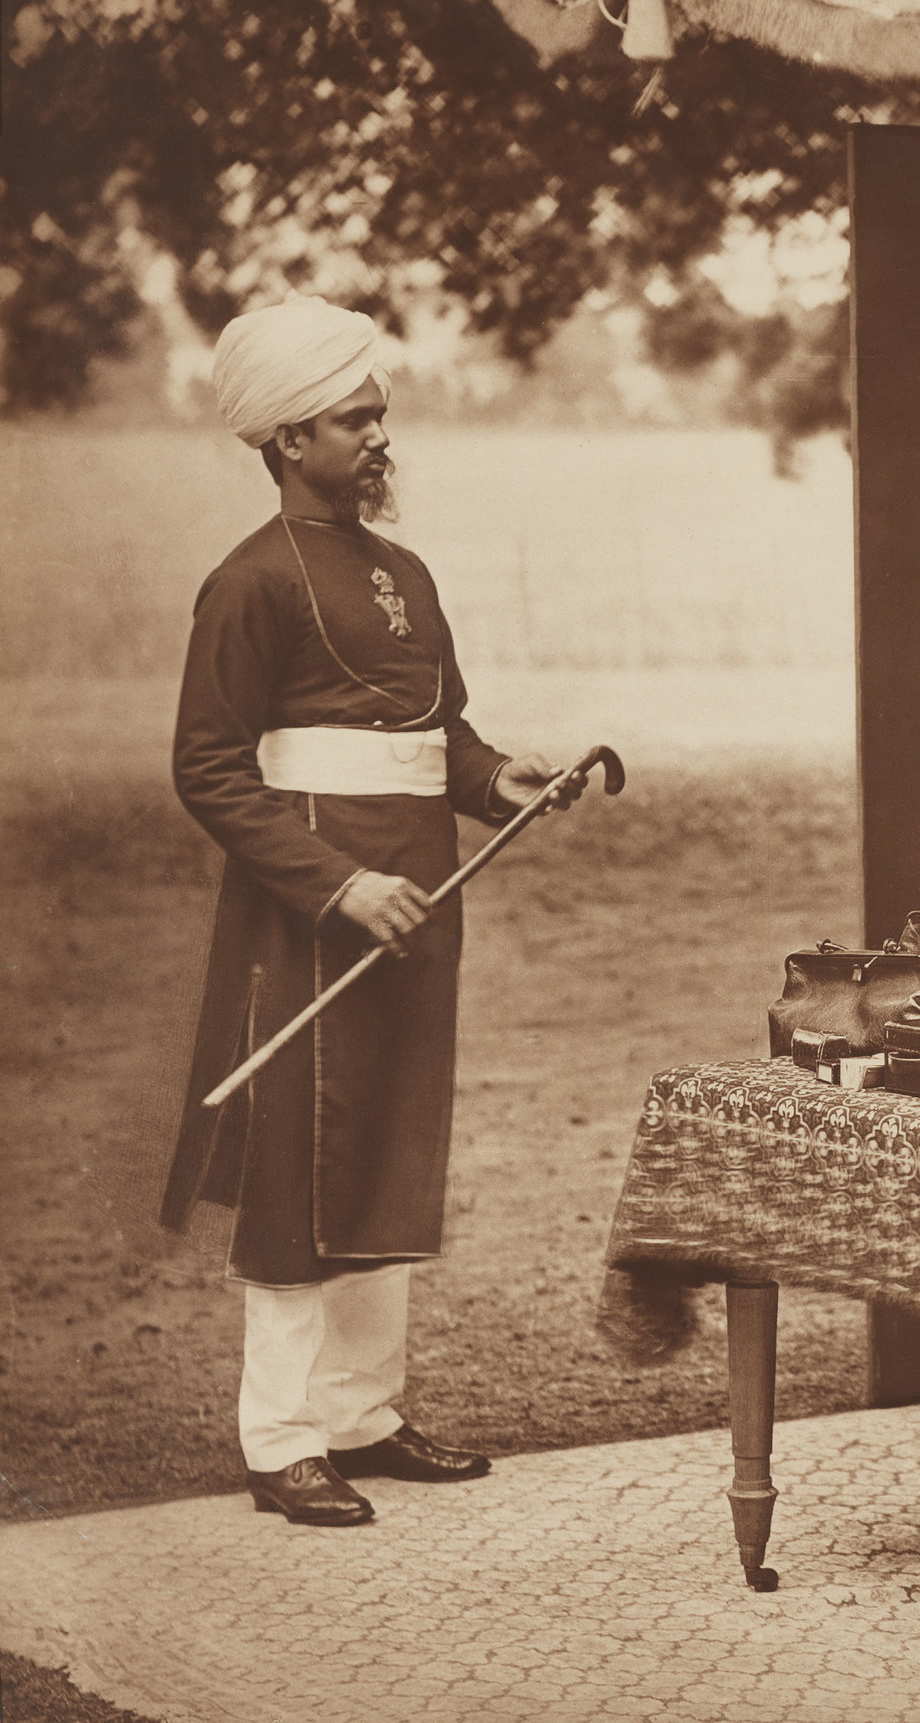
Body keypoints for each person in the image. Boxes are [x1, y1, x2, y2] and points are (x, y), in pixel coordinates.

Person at [158, 297, 589, 1526]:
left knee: (391, 1141)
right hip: (311, 913)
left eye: (379, 415)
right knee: (302, 1159)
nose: (377, 436)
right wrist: (339, 883)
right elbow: (208, 768)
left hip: (420, 905)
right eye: (354, 419)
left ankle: (363, 1412)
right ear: (288, 437)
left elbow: (434, 737)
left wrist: (501, 777)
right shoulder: (246, 583)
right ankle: (282, 1437)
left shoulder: (404, 570)